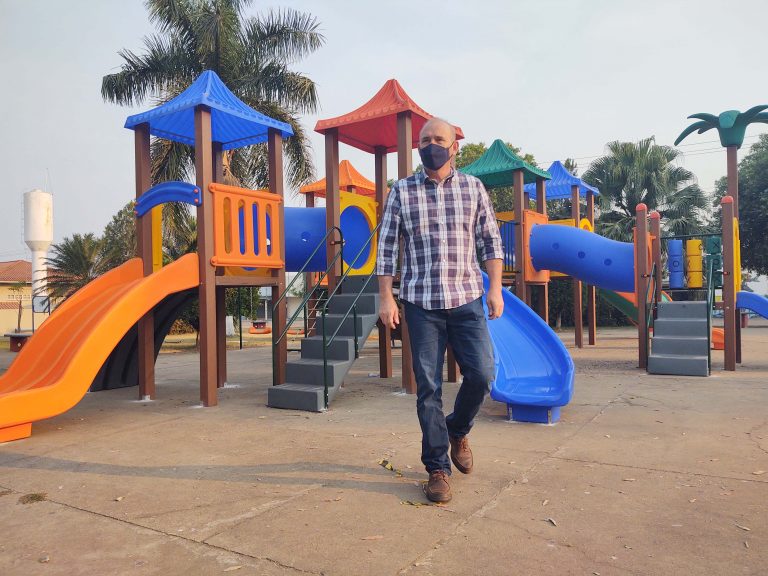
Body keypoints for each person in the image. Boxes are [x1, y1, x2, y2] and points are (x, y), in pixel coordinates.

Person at [376, 117, 504, 503]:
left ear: (454, 147)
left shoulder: (473, 188)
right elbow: (387, 248)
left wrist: (495, 288)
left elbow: (490, 241)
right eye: (425, 140)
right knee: (428, 387)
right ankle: (437, 468)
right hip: (421, 303)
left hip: (467, 298)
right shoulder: (402, 191)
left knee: (482, 374)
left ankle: (457, 429)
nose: (431, 145)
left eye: (438, 139)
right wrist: (386, 297)